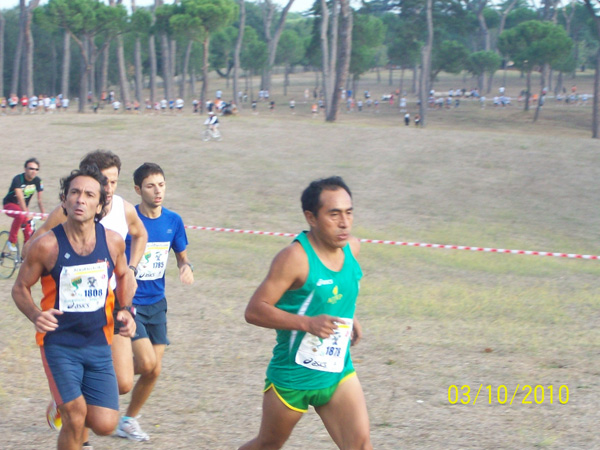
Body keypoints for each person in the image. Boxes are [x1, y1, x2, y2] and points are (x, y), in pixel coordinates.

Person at [24, 150, 148, 450]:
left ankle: (66, 401)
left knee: (111, 410)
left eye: (110, 183)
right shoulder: (57, 227)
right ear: (66, 197)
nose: (106, 188)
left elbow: (130, 258)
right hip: (60, 336)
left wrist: (125, 307)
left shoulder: (117, 223)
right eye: (76, 193)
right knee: (76, 415)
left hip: (101, 324)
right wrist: (35, 310)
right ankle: (69, 411)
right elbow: (29, 261)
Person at [239, 176, 371, 450]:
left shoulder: (352, 248)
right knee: (268, 444)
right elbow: (254, 311)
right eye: (334, 214)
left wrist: (351, 316)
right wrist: (307, 323)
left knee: (360, 446)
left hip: (337, 371)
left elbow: (339, 291)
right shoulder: (294, 258)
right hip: (293, 376)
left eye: (349, 212)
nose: (344, 222)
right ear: (311, 217)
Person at [116, 163, 194, 441]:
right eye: (150, 185)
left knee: (153, 370)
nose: (157, 190)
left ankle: (127, 420)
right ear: (138, 189)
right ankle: (89, 392)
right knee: (147, 362)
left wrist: (185, 266)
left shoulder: (173, 220)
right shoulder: (128, 220)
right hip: (129, 303)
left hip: (157, 304)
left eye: (161, 184)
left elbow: (181, 254)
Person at [3, 158, 46, 251]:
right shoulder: (18, 179)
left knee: (28, 231)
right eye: (31, 169)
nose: (33, 171)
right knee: (21, 216)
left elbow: (39, 200)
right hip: (10, 204)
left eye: (36, 169)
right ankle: (11, 241)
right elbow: (20, 197)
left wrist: (43, 214)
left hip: (23, 208)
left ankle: (26, 254)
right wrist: (26, 212)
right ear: (25, 169)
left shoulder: (38, 181)